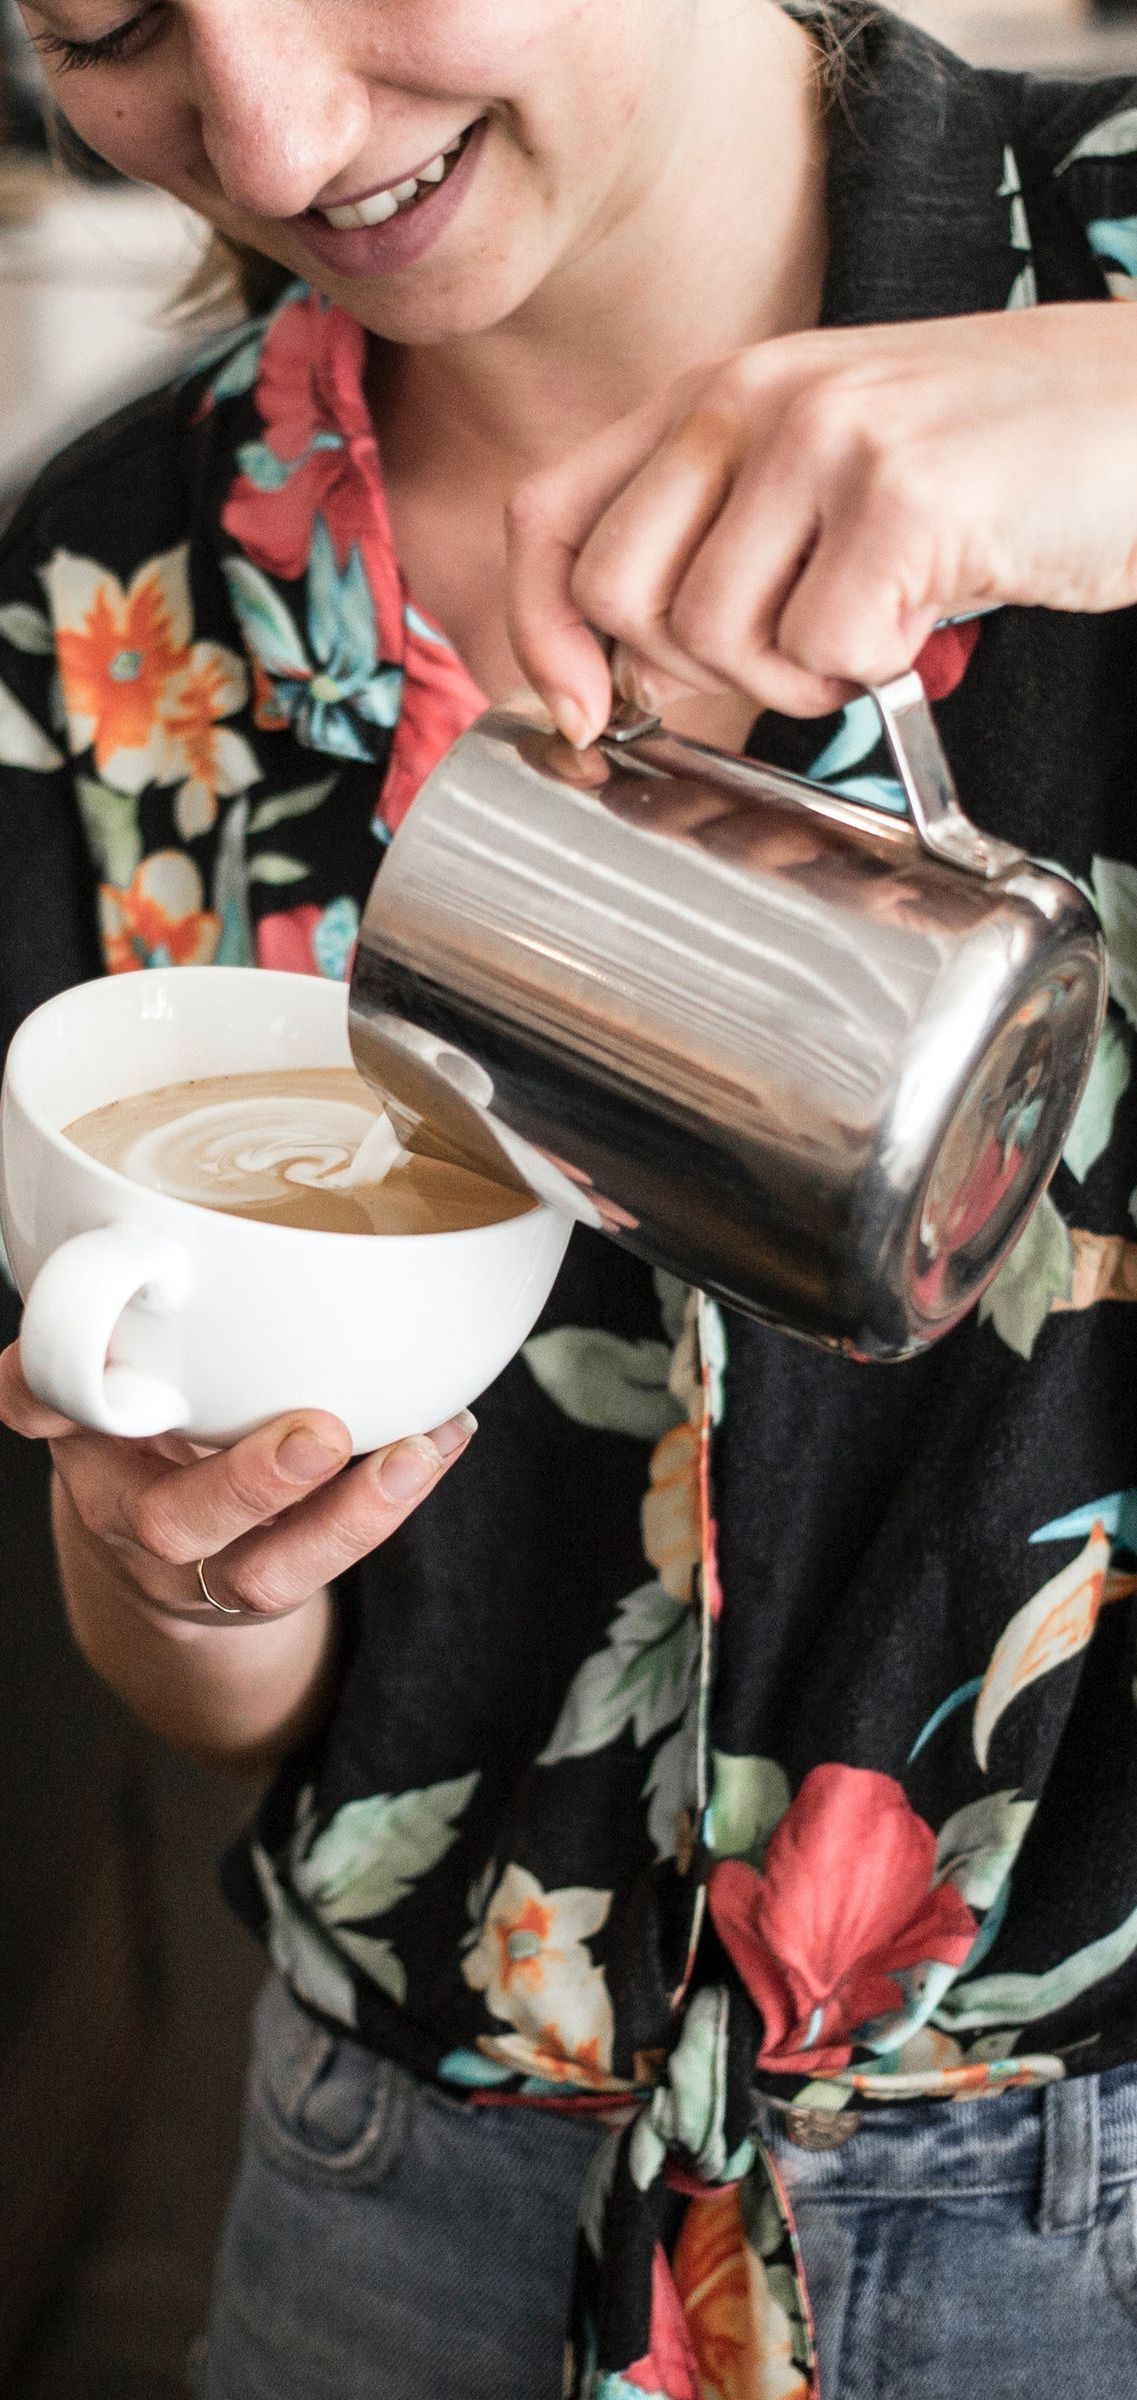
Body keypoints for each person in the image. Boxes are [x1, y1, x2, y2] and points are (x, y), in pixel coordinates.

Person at [2, 0, 1137, 2393]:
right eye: (105, 21)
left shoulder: (1107, 272)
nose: (272, 136)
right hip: (400, 2184)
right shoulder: (108, 592)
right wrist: (182, 1565)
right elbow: (229, 1687)